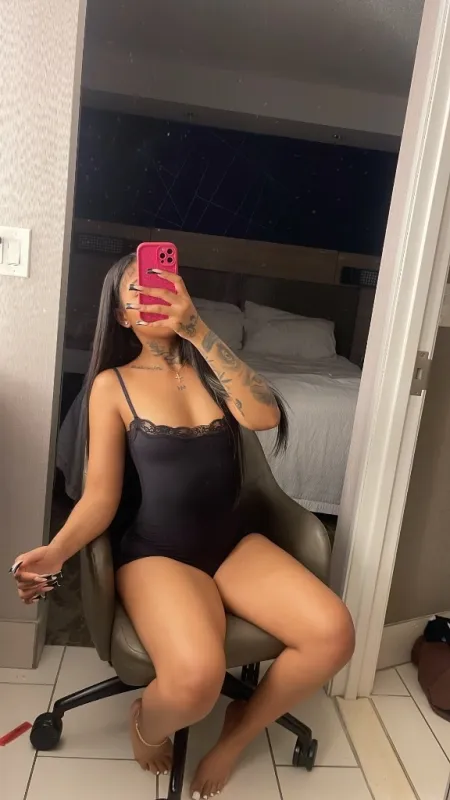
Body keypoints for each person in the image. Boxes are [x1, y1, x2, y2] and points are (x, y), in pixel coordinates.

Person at [13, 253, 355, 798]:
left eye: (162, 283)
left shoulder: (213, 363)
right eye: (137, 291)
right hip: (159, 553)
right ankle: (145, 723)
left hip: (234, 546)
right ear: (121, 316)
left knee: (334, 634)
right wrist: (56, 551)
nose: (153, 296)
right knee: (195, 682)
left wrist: (197, 329)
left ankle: (238, 733)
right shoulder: (112, 385)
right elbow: (101, 496)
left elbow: (266, 416)